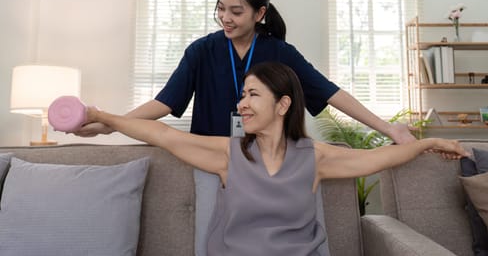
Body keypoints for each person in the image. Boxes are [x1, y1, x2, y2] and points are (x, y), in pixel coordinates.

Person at [75, 0, 417, 255]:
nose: (226, 18)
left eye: (236, 11)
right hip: (218, 162)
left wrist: (388, 129)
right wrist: (110, 123)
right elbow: (165, 103)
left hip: (271, 163)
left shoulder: (280, 52)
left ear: (260, 13)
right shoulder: (202, 51)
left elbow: (330, 92)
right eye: (221, 9)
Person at [83, 62, 468, 256]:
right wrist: (102, 116)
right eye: (242, 95)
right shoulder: (227, 155)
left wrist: (425, 142)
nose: (241, 104)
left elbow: (378, 159)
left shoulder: (314, 157)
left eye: (252, 95)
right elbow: (161, 134)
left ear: (283, 104)